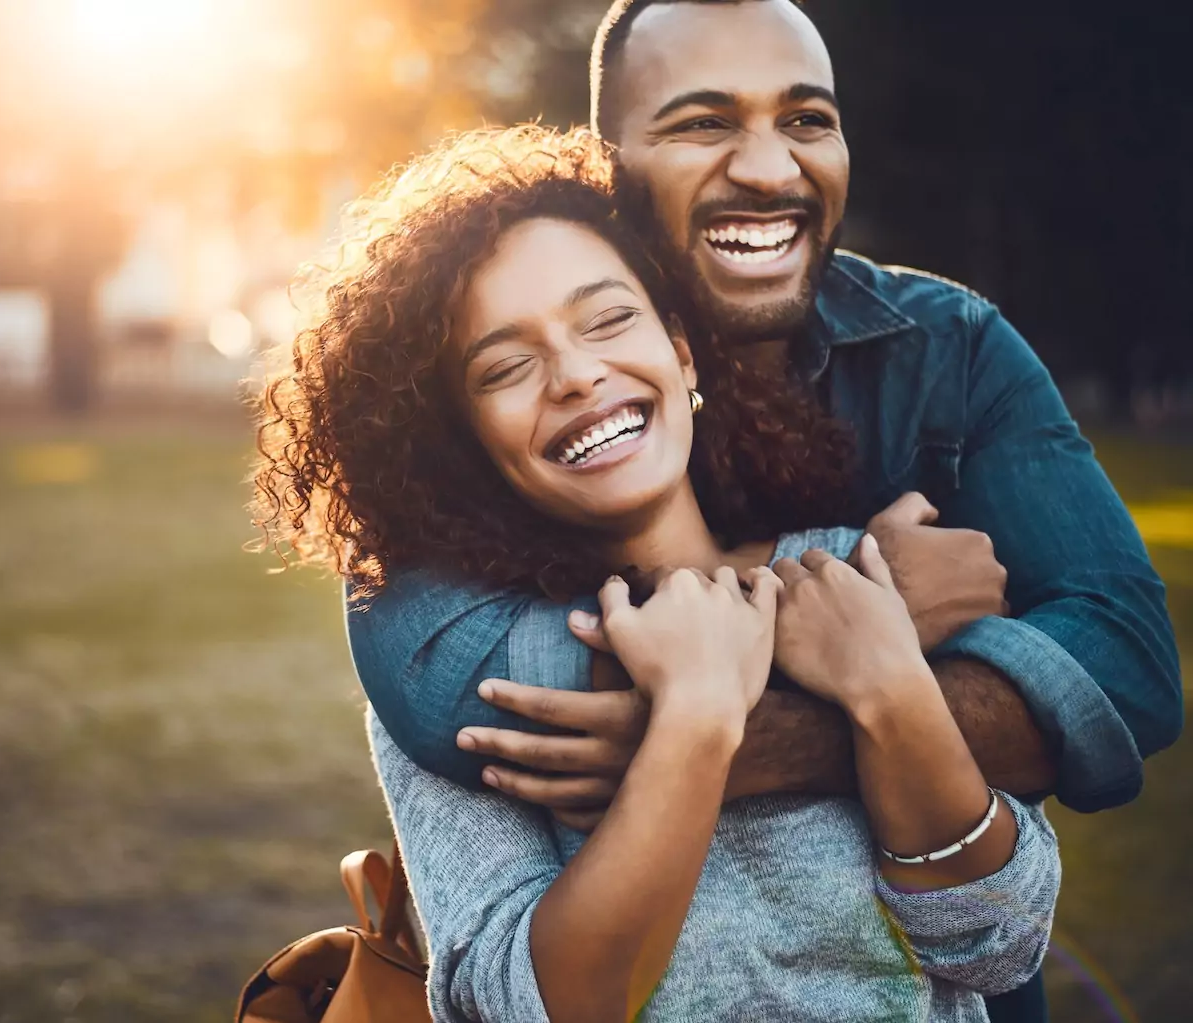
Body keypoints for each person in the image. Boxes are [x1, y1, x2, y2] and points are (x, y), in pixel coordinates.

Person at [339, 3, 1182, 1019]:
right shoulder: (869, 587)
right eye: (703, 122)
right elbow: (450, 706)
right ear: (611, 166)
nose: (772, 171)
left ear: (677, 355)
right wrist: (731, 683)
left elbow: (1119, 686)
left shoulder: (938, 373)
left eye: (808, 119)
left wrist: (814, 712)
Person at [252, 125, 1059, 1022]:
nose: (576, 374)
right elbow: (528, 1006)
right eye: (507, 367)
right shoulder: (474, 690)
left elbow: (1001, 943)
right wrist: (696, 719)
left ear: (680, 351)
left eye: (608, 320)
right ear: (461, 442)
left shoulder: (853, 573)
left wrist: (888, 686)